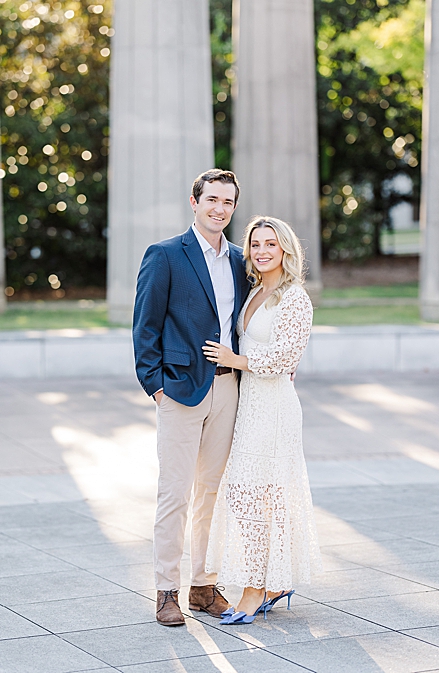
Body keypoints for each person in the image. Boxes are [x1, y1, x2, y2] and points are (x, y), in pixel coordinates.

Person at [133, 169, 250, 626]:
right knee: (175, 494)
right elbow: (145, 326)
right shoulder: (164, 255)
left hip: (227, 388)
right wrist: (155, 386)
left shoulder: (241, 260)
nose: (220, 209)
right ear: (195, 201)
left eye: (228, 202)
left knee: (212, 495)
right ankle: (166, 591)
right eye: (212, 200)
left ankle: (203, 585)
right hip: (179, 390)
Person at [202, 215, 322, 625]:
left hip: (274, 408)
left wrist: (236, 360)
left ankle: (255, 589)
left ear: (285, 249)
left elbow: (286, 357)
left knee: (262, 497)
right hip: (249, 403)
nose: (262, 251)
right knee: (246, 494)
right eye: (255, 244)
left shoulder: (294, 298)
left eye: (271, 244)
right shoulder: (255, 291)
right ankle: (272, 581)